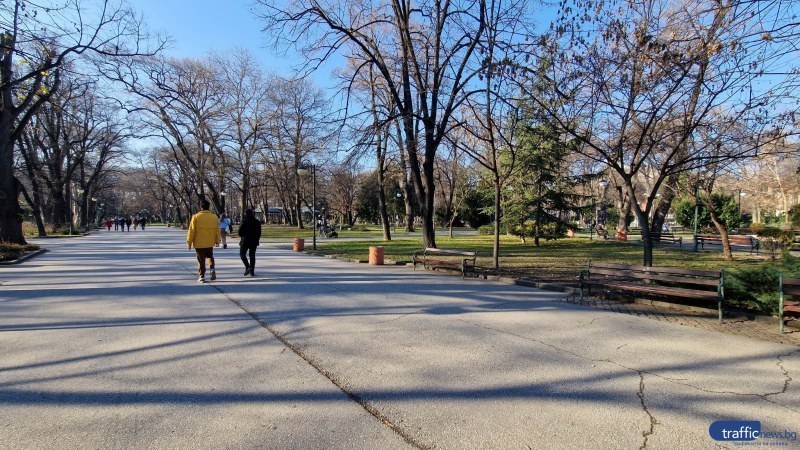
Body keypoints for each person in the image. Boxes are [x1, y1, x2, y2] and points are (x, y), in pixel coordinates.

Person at [187, 199, 221, 283]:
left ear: (200, 207)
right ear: (209, 207)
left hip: (199, 243)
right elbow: (217, 230)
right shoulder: (214, 217)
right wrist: (217, 240)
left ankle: (202, 276)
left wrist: (189, 242)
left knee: (201, 260)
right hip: (210, 242)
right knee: (209, 256)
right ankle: (212, 269)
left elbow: (191, 231)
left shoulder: (196, 217)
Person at [238, 209, 262, 276]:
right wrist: (257, 239)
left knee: (242, 254)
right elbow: (259, 232)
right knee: (252, 255)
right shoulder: (257, 222)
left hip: (245, 240)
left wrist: (242, 236)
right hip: (254, 241)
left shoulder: (244, 221)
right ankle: (252, 271)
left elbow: (239, 232)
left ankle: (247, 266)